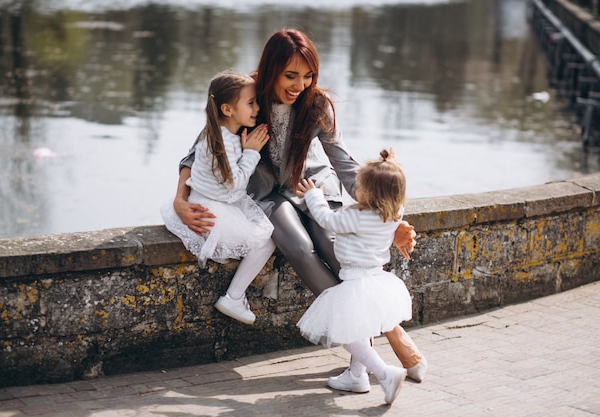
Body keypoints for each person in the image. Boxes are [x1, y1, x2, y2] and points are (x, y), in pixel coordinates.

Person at [173, 29, 427, 383]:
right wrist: (180, 200)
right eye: (290, 75)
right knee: (299, 246)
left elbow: (344, 164)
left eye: (307, 76)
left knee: (338, 253)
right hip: (267, 195)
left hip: (314, 188)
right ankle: (389, 342)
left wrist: (389, 216)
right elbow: (199, 149)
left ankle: (376, 353)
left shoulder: (316, 104)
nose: (299, 85)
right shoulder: (248, 94)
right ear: (271, 68)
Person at [295, 150, 412, 404]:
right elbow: (393, 189)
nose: (354, 189)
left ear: (369, 194)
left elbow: (327, 220)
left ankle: (384, 372)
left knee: (346, 334)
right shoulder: (393, 213)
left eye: (359, 186)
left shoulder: (356, 217)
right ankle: (357, 376)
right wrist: (388, 167)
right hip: (377, 280)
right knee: (362, 328)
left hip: (355, 282)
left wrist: (314, 195)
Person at [161, 71, 276, 325]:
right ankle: (233, 296)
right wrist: (252, 153)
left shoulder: (215, 134)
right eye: (251, 103)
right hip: (212, 209)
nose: (257, 108)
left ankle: (235, 297)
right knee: (266, 241)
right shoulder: (227, 144)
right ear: (227, 109)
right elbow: (234, 190)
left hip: (205, 200)